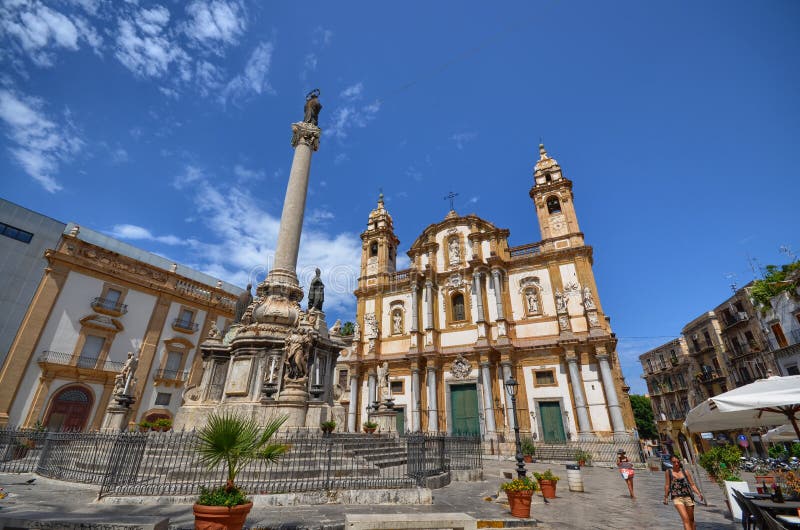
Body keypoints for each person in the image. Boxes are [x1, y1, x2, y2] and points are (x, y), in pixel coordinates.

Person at [663, 454, 703, 530]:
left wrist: (698, 493)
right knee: (685, 519)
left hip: (688, 496)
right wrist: (665, 497)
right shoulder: (668, 472)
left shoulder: (685, 472)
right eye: (674, 462)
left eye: (677, 462)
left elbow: (692, 484)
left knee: (691, 520)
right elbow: (667, 485)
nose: (676, 464)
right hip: (677, 498)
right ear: (671, 463)